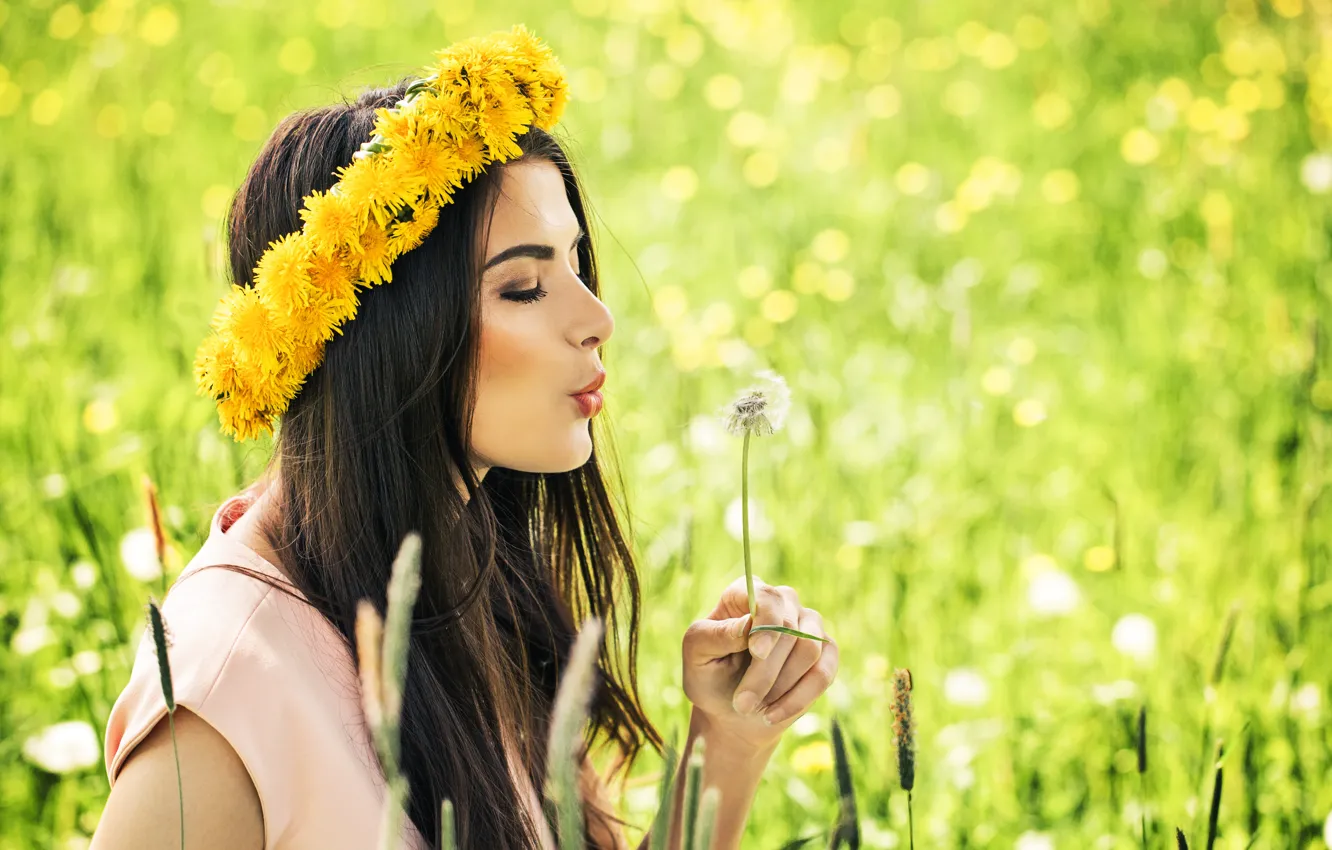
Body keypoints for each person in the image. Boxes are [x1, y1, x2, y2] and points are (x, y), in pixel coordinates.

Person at [91, 27, 838, 850]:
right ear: (388, 338)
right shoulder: (222, 697)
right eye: (523, 287)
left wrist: (728, 739)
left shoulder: (479, 576)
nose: (598, 318)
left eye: (576, 264)